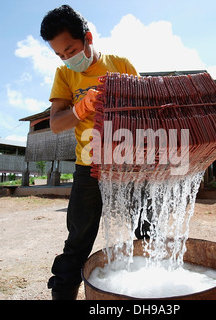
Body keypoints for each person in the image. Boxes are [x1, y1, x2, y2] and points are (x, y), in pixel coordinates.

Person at [40, 5, 140, 300]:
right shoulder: (65, 75)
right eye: (60, 55)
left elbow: (144, 107)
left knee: (147, 228)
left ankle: (155, 292)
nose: (68, 59)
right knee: (79, 241)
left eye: (70, 49)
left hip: (127, 166)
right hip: (88, 168)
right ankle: (64, 293)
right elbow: (56, 124)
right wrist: (80, 108)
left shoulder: (119, 63)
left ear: (88, 37)